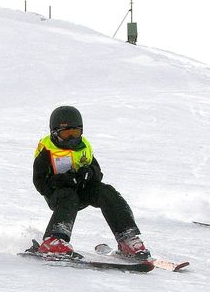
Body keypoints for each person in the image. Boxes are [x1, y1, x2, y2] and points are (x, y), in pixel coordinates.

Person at [32, 106, 149, 259]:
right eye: (66, 134)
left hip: (83, 189)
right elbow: (39, 182)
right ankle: (54, 240)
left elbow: (97, 171)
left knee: (106, 191)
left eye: (76, 133)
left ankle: (127, 238)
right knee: (69, 196)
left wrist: (89, 173)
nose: (72, 139)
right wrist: (63, 181)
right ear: (54, 133)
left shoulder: (84, 146)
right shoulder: (47, 150)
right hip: (59, 196)